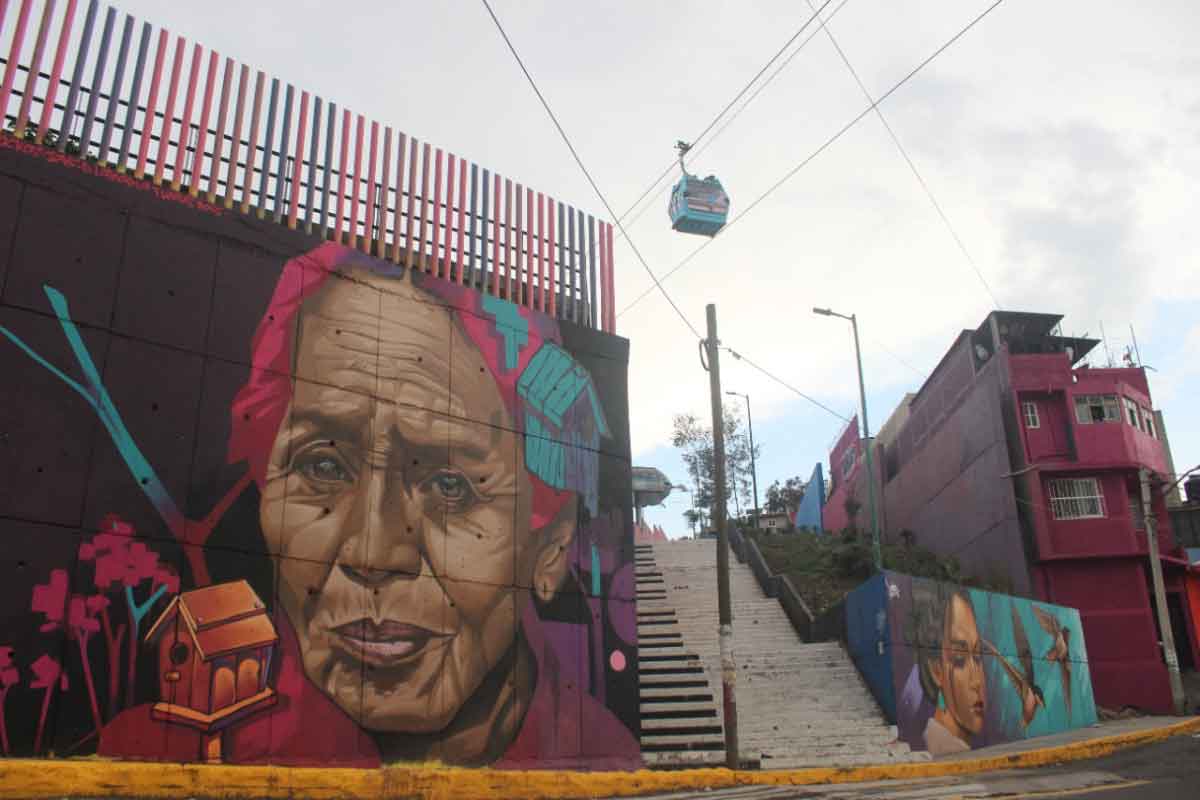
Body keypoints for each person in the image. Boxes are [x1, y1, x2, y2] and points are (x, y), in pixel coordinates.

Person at [99, 243, 638, 769]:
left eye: (451, 487)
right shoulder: (174, 751)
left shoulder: (609, 758)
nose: (375, 551)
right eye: (323, 467)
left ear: (550, 546)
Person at [912, 584, 987, 755]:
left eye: (978, 656)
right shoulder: (939, 746)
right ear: (936, 670)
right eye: (960, 660)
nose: (976, 682)